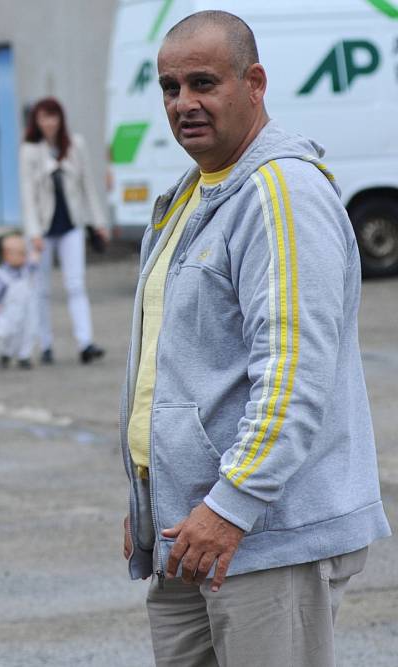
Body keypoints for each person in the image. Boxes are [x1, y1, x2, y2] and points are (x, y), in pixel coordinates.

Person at [120, 11, 391, 666]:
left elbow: (293, 376)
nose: (183, 103)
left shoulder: (279, 194)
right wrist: (149, 496)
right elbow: (176, 368)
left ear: (255, 82)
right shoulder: (191, 196)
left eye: (203, 83)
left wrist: (232, 504)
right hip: (189, 530)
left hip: (264, 535)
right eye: (169, 87)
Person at [19, 97, 108, 365]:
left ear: (61, 119)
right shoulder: (30, 150)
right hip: (43, 229)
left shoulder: (75, 145)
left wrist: (98, 221)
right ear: (36, 121)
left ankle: (86, 343)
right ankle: (45, 344)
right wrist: (33, 231)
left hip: (71, 225)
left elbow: (87, 184)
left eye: (53, 116)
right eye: (44, 117)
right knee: (41, 289)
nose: (49, 122)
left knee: (76, 284)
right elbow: (27, 193)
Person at [0, 233, 39, 369]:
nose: (23, 256)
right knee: (7, 334)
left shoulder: (26, 270)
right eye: (19, 253)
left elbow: (34, 263)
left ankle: (24, 355)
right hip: (9, 311)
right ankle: (5, 352)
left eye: (24, 253)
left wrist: (35, 252)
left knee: (29, 331)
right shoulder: (2, 275)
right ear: (6, 255)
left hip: (27, 309)